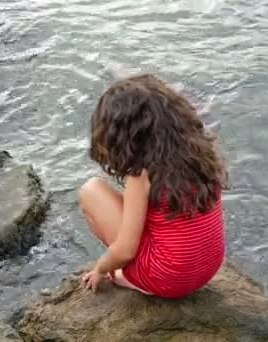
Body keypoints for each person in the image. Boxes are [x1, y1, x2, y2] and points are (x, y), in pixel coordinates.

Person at [78, 73, 227, 298]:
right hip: (208, 268)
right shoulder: (200, 152)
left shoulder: (141, 174)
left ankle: (134, 279)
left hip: (165, 279)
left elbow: (126, 250)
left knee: (91, 190)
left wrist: (101, 268)